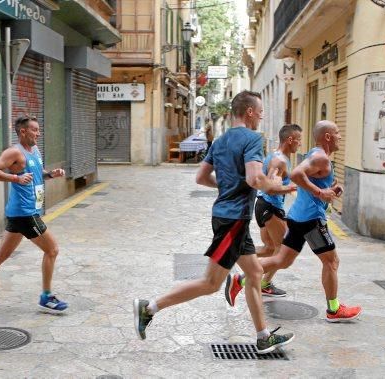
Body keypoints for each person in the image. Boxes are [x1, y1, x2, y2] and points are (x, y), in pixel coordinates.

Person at [134, 91, 297, 354]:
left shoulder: (220, 141)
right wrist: (278, 187)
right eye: (261, 112)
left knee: (254, 274)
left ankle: (263, 336)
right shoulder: (253, 139)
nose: (262, 117)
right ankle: (149, 308)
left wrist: (227, 187)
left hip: (232, 219)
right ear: (250, 112)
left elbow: (201, 177)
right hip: (233, 220)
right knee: (210, 284)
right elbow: (256, 179)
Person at [226, 120, 362, 323]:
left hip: (298, 217)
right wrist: (319, 191)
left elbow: (308, 177)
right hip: (311, 219)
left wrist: (329, 188)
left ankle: (241, 279)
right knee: (331, 262)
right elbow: (297, 174)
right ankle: (334, 309)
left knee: (282, 260)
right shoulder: (320, 157)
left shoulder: (317, 155)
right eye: (337, 133)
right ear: (327, 136)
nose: (340, 136)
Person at [0, 115, 68, 313]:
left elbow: (36, 174)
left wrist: (50, 174)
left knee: (2, 254)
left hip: (22, 212)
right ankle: (46, 297)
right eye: (35, 130)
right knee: (52, 250)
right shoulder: (14, 152)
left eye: (38, 129)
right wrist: (15, 178)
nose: (38, 133)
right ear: (23, 131)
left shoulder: (34, 150)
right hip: (25, 213)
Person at [253, 124, 302, 297]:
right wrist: (292, 188)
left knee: (269, 248)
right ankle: (259, 281)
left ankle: (238, 254)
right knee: (282, 252)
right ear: (290, 140)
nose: (300, 144)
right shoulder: (279, 160)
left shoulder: (277, 156)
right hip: (270, 207)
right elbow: (270, 188)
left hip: (263, 205)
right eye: (299, 140)